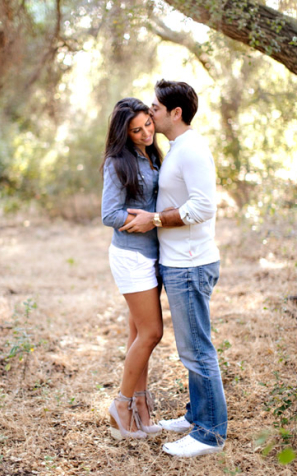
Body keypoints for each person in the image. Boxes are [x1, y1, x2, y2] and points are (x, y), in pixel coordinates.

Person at [121, 79, 227, 458]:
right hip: (178, 263)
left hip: (190, 265)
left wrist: (156, 220)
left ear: (175, 113)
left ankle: (210, 433)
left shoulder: (192, 150)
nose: (150, 113)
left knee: (197, 350)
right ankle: (197, 415)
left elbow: (203, 207)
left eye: (156, 108)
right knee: (191, 349)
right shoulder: (178, 148)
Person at [101, 97, 164, 440]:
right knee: (152, 333)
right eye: (136, 131)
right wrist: (143, 219)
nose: (145, 134)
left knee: (138, 335)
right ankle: (121, 405)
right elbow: (109, 214)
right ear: (124, 133)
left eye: (148, 126)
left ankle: (141, 408)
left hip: (152, 255)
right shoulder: (117, 162)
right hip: (131, 257)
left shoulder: (152, 155)